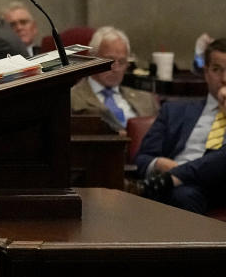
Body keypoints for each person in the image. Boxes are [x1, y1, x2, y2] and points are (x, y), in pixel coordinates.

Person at [137, 39, 226, 214]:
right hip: (185, 190)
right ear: (206, 72)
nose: (224, 79)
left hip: (221, 185)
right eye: (217, 70)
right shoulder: (174, 111)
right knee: (183, 195)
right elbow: (142, 158)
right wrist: (158, 163)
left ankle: (175, 177)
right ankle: (174, 178)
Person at [70, 26, 159, 129]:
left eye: (121, 62)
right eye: (110, 61)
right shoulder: (72, 100)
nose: (116, 69)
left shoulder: (147, 99)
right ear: (91, 59)